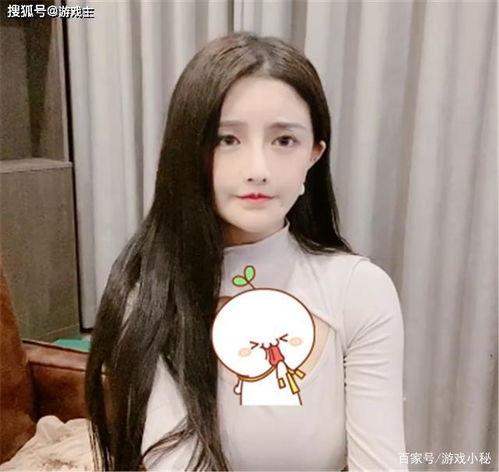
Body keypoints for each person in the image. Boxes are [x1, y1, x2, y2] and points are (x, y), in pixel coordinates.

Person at [85, 31, 408, 471]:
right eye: (227, 140)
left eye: (284, 141)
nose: (258, 170)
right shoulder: (151, 294)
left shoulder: (360, 292)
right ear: (191, 151)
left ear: (314, 154)